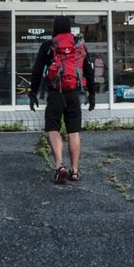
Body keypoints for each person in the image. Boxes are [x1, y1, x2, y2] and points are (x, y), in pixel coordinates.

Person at [30, 16, 95, 184]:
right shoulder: (78, 45)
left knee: (53, 128)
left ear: (55, 28)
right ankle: (74, 170)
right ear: (69, 28)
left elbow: (37, 71)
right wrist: (92, 94)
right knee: (74, 131)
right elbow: (88, 70)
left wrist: (33, 94)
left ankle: (60, 165)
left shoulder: (48, 46)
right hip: (74, 94)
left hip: (55, 94)